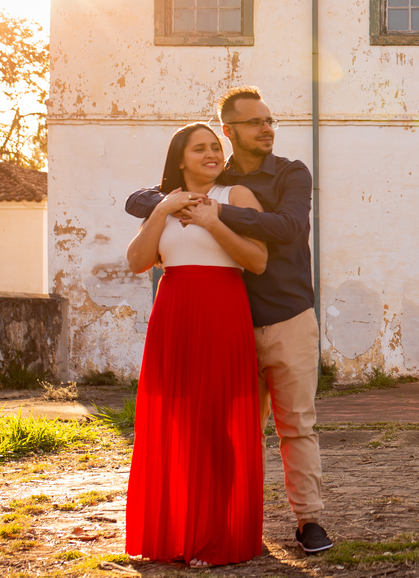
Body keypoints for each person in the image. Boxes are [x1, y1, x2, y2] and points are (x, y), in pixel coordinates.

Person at [125, 87, 332, 555]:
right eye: (255, 122)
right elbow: (139, 197)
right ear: (229, 131)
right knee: (231, 430)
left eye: (269, 120)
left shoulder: (290, 173)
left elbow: (288, 227)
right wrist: (169, 203)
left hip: (286, 315)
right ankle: (232, 523)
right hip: (229, 323)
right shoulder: (217, 174)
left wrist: (215, 214)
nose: (267, 128)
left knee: (296, 423)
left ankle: (309, 520)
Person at [124, 123, 267, 567]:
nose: (211, 154)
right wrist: (164, 208)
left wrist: (212, 220)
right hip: (174, 311)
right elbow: (137, 262)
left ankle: (217, 534)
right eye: (199, 148)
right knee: (175, 421)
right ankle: (173, 533)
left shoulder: (238, 195)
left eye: (215, 148)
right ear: (180, 159)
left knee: (217, 422)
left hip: (222, 308)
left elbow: (258, 260)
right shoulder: (161, 203)